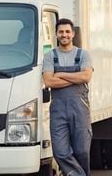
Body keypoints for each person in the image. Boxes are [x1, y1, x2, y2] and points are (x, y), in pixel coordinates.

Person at [43, 18, 93, 176]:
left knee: (82, 151)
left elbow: (86, 77)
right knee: (60, 152)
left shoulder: (83, 54)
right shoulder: (50, 56)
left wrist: (62, 74)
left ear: (73, 34)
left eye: (67, 32)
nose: (64, 35)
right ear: (56, 34)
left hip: (80, 109)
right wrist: (74, 78)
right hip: (58, 111)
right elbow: (49, 80)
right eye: (61, 32)